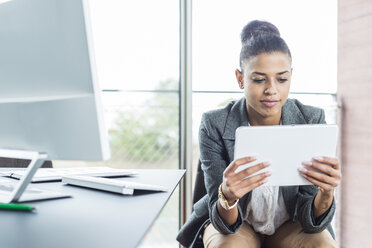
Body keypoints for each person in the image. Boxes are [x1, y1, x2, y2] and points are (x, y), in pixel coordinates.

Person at [177, 20, 341, 248]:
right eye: (258, 79)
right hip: (236, 223)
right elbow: (224, 224)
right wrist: (228, 195)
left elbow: (311, 223)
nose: (272, 89)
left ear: (291, 76)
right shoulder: (214, 123)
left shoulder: (311, 119)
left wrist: (326, 193)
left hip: (291, 222)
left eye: (282, 79)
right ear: (240, 78)